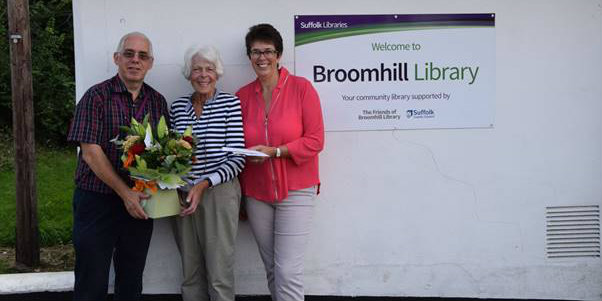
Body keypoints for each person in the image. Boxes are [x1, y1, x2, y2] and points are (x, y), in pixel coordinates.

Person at [67, 32, 169, 301]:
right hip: (96, 201)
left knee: (132, 281)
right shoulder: (96, 96)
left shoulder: (158, 102)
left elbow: (163, 154)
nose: (135, 60)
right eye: (129, 54)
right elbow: (90, 152)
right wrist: (126, 194)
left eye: (142, 56)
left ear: (150, 63)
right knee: (91, 281)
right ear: (117, 58)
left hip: (140, 204)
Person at [236, 23, 325, 301]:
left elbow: (315, 140)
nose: (262, 57)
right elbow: (237, 145)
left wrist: (276, 152)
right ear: (249, 56)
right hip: (257, 193)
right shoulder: (241, 96)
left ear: (279, 54)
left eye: (268, 51)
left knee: (288, 271)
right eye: (255, 52)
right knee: (273, 269)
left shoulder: (301, 88)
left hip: (296, 189)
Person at [170, 45, 245, 301]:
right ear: (188, 74)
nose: (203, 75)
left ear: (218, 73)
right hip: (182, 194)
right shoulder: (178, 107)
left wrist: (202, 185)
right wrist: (177, 183)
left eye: (209, 69)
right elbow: (171, 155)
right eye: (197, 69)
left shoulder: (229, 103)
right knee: (190, 270)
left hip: (218, 192)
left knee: (219, 271)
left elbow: (236, 159)